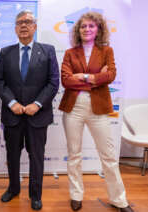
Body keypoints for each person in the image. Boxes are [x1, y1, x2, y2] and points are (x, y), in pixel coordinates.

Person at [58, 12, 133, 212]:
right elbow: (66, 80)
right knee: (74, 155)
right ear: (78, 30)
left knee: (108, 155)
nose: (87, 29)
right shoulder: (70, 53)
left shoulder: (107, 50)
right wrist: (95, 77)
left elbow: (110, 75)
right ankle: (76, 195)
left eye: (91, 26)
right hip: (73, 108)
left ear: (98, 29)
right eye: (83, 26)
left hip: (98, 107)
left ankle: (119, 200)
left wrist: (83, 77)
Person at [0, 10, 59, 210]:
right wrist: (11, 102)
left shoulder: (48, 51)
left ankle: (35, 194)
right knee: (12, 156)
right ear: (15, 28)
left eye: (28, 22)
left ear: (35, 27)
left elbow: (53, 82)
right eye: (20, 22)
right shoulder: (6, 52)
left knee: (36, 156)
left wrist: (37, 104)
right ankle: (14, 189)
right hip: (12, 116)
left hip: (37, 116)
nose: (24, 25)